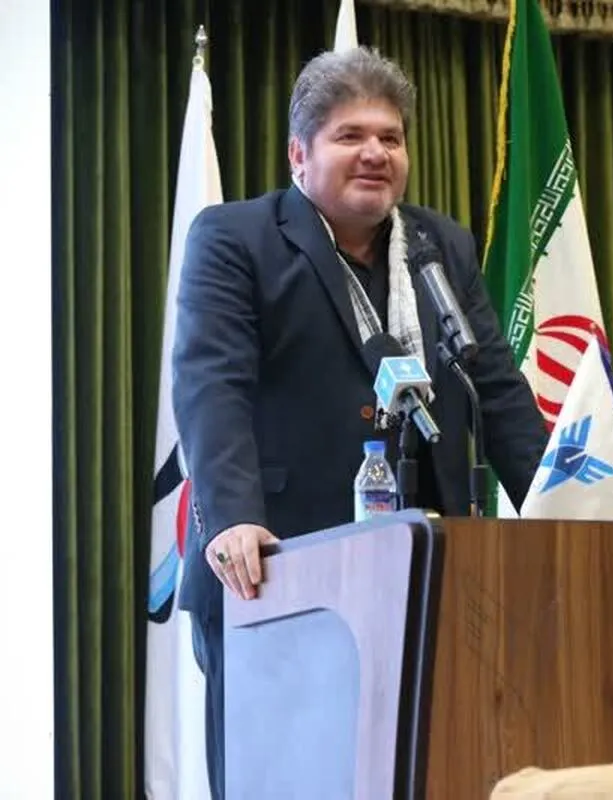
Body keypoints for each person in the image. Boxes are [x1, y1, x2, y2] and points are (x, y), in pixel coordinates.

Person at [171, 46, 548, 798]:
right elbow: (212, 385)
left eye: (391, 137)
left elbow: (498, 392)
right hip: (276, 573)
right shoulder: (237, 239)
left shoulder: (441, 248)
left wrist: (563, 507)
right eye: (351, 135)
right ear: (299, 154)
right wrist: (235, 517)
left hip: (426, 576)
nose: (376, 152)